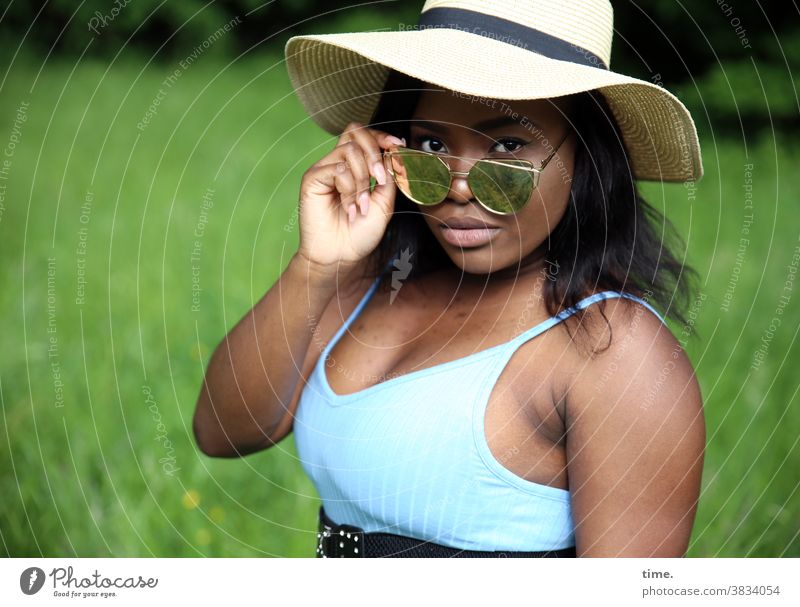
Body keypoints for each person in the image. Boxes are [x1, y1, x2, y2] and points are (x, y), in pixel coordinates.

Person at [193, 0, 706, 558]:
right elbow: (222, 432)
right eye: (432, 147)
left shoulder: (615, 348)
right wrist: (319, 267)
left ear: (586, 156)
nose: (459, 188)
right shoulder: (371, 282)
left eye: (507, 147)